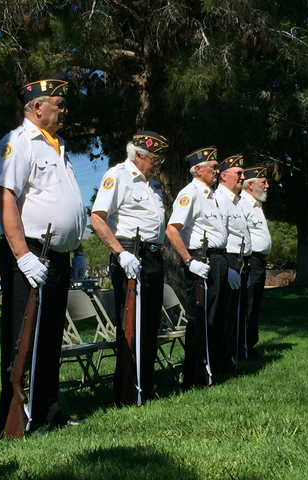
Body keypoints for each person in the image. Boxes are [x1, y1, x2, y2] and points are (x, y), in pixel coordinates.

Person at [0, 74, 87, 432]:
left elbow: (70, 205)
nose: (64, 110)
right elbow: (6, 202)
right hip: (31, 254)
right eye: (59, 104)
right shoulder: (19, 143)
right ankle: (13, 419)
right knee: (21, 338)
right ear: (36, 107)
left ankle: (48, 413)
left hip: (57, 255)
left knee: (49, 339)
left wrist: (76, 251)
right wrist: (22, 256)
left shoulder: (57, 146)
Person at [90, 130, 169, 406]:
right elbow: (97, 218)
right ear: (138, 155)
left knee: (149, 324)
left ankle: (144, 386)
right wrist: (120, 253)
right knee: (130, 325)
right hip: (130, 255)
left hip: (153, 256)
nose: (158, 162)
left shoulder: (153, 184)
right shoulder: (118, 176)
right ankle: (125, 391)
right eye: (155, 157)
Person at [165, 146, 229, 388]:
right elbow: (172, 230)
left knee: (215, 318)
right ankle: (194, 375)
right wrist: (189, 261)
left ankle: (210, 369)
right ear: (198, 170)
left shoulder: (211, 195)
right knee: (200, 319)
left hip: (217, 259)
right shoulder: (190, 193)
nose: (217, 171)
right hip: (201, 260)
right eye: (213, 167)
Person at [213, 154, 252, 370]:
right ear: (224, 175)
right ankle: (220, 359)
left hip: (239, 261)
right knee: (223, 314)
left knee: (232, 315)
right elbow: (221, 234)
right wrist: (228, 268)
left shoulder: (236, 201)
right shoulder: (220, 198)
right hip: (227, 260)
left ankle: (229, 356)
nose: (242, 177)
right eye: (239, 173)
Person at [239, 166, 272, 359]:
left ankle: (249, 344)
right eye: (263, 182)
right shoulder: (243, 203)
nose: (267, 186)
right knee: (248, 303)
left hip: (259, 260)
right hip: (250, 259)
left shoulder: (257, 204)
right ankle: (244, 346)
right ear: (250, 185)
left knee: (255, 303)